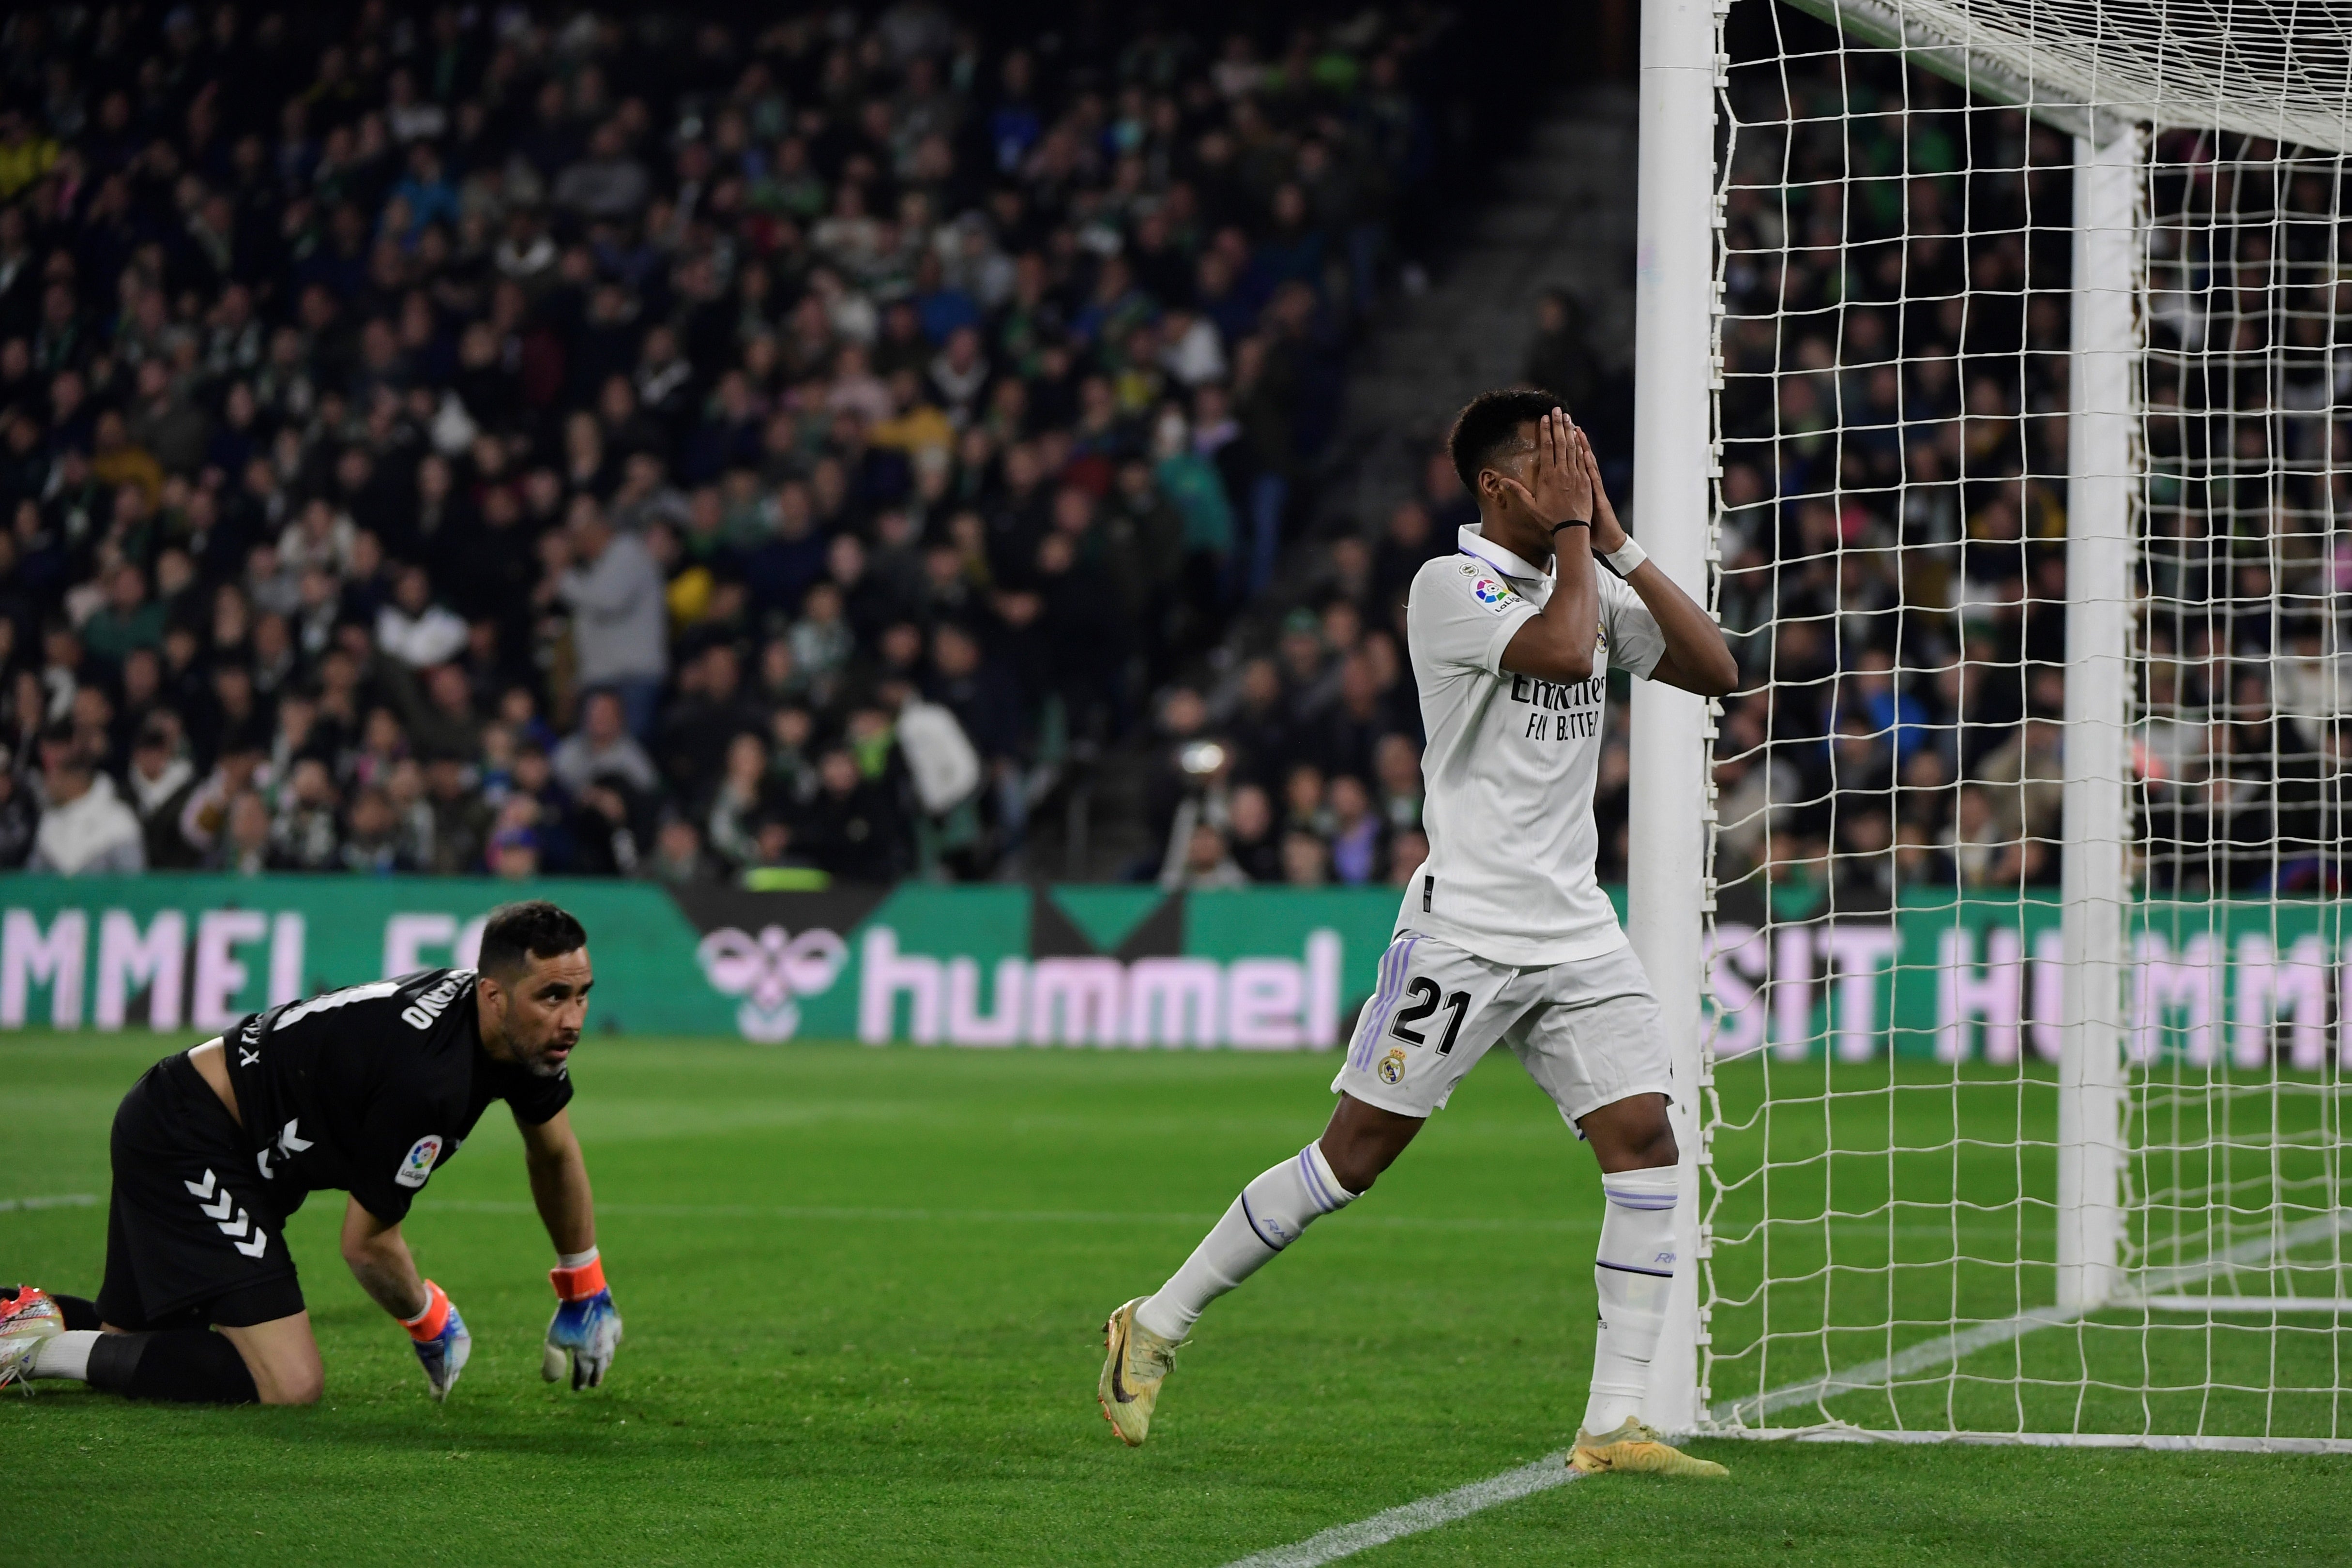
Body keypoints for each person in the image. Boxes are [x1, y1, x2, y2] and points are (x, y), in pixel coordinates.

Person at [1096, 393, 1739, 1477]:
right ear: (1499, 490)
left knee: (1644, 1140)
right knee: (1351, 1160)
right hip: (1464, 934)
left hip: (1575, 929)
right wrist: (1584, 542)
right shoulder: (1451, 587)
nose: (1577, 482)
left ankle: (1611, 1422)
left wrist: (1614, 537)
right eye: (1556, 467)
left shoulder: (1575, 569)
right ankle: (1153, 1324)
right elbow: (1561, 652)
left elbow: (1713, 668)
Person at [0, 901, 623, 1405]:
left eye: (582, 995)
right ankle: (33, 1353)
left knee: (135, 1341)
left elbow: (554, 1152)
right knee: (289, 1383)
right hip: (194, 1137)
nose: (573, 1019)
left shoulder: (514, 1039)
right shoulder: (429, 1082)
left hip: (199, 1124)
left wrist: (583, 1282)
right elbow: (367, 1244)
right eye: (552, 997)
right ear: (494, 995)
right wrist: (428, 1316)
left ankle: (26, 1312)